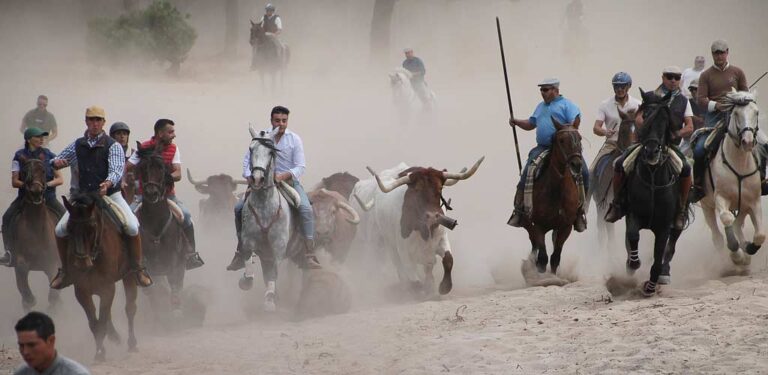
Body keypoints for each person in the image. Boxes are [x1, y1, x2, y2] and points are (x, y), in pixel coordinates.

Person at [49, 106, 152, 289]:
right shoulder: (78, 144)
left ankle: (138, 268)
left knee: (131, 225)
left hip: (110, 195)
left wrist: (107, 183)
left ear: (103, 122)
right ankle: (65, 271)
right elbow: (58, 158)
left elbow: (116, 170)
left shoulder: (113, 145)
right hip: (83, 198)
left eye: (98, 120)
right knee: (59, 230)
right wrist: (56, 162)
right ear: (86, 121)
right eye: (91, 120)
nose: (94, 123)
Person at [227, 105, 320, 270]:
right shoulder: (261, 137)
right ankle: (240, 251)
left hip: (288, 182)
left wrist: (283, 176)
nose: (281, 124)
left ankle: (308, 252)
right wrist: (248, 175)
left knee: (306, 209)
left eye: (284, 121)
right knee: (239, 208)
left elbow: (301, 166)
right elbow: (248, 159)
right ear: (271, 121)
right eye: (277, 120)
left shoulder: (294, 139)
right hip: (262, 182)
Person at [605, 66, 694, 230]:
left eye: (676, 77)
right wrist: (648, 123)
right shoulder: (651, 96)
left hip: (669, 146)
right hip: (647, 144)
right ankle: (617, 204)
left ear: (680, 79)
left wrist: (676, 133)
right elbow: (637, 119)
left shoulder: (683, 100)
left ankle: (681, 210)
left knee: (686, 168)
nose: (673, 80)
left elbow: (689, 126)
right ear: (663, 78)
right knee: (619, 164)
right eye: (669, 77)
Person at [507, 78, 589, 231]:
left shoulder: (567, 105)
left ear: (556, 90)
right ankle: (519, 210)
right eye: (541, 90)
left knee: (584, 172)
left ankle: (579, 212)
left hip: (566, 150)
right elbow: (531, 124)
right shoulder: (540, 107)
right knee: (527, 171)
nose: (542, 93)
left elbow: (574, 124)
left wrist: (562, 131)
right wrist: (517, 122)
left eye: (546, 89)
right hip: (543, 148)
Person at [125, 119, 204, 270]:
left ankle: (191, 255)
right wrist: (126, 179)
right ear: (160, 133)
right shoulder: (144, 148)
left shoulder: (174, 149)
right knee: (127, 220)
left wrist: (165, 177)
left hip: (167, 195)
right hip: (143, 196)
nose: (174, 135)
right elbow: (127, 166)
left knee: (186, 216)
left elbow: (178, 173)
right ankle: (128, 257)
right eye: (170, 132)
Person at [690, 39, 753, 202]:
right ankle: (697, 187)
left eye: (722, 52)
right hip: (715, 119)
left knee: (762, 143)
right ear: (712, 55)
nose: (719, 55)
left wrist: (740, 100)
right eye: (716, 53)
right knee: (699, 150)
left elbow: (746, 94)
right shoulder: (706, 75)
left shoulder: (737, 72)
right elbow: (701, 100)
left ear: (727, 52)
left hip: (738, 117)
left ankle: (761, 180)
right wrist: (717, 105)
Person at [0, 128, 65, 267]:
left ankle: (66, 253)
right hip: (25, 197)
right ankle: (9, 252)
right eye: (38, 137)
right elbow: (14, 181)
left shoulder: (50, 156)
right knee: (6, 217)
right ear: (29, 139)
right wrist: (28, 186)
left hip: (48, 197)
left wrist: (46, 185)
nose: (42, 139)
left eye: (43, 137)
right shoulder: (19, 156)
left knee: (66, 217)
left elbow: (60, 179)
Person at [590, 72, 642, 174]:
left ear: (629, 86)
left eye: (623, 86)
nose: (619, 89)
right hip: (612, 145)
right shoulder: (605, 104)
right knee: (591, 170)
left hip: (633, 146)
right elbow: (596, 128)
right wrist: (605, 132)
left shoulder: (638, 104)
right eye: (616, 86)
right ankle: (592, 190)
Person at [14, 311, 90, 375]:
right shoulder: (21, 373)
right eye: (21, 345)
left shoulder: (76, 373)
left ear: (51, 341)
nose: (25, 352)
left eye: (32, 345)